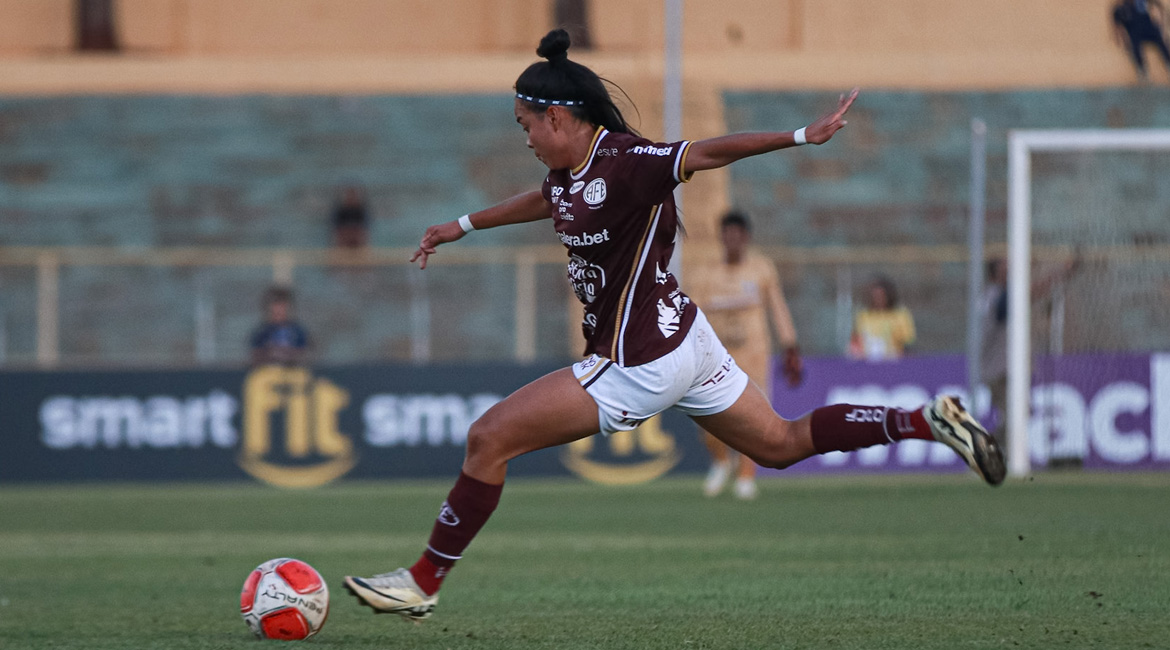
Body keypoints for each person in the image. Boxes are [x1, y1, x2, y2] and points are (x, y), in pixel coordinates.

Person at [343, 29, 1005, 622]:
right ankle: (927, 421)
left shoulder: (630, 161)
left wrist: (800, 136)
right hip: (687, 338)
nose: (524, 136)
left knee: (489, 437)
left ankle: (423, 581)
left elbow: (708, 153)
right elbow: (546, 202)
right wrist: (460, 227)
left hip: (638, 361)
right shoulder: (564, 173)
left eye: (525, 124)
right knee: (777, 443)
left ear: (558, 117)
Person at [691, 211, 803, 500]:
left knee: (753, 415)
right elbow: (691, 315)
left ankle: (746, 476)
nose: (732, 241)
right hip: (716, 355)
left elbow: (777, 306)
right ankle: (719, 461)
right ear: (721, 238)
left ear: (746, 238)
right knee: (709, 414)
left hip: (753, 351)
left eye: (737, 236)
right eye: (727, 235)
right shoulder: (706, 273)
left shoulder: (761, 269)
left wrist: (790, 344)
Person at [980, 256, 1078, 444]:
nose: (1010, 270)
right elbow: (1031, 292)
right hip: (1001, 370)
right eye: (1006, 267)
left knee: (1017, 414)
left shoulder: (988, 296)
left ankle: (990, 450)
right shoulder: (1000, 298)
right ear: (996, 273)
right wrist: (1061, 273)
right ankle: (986, 449)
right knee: (1018, 414)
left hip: (996, 367)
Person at [849, 275, 915, 361]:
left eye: (881, 295)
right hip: (867, 361)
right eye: (875, 296)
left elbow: (908, 340)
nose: (877, 299)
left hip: (892, 360)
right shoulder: (863, 316)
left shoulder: (899, 314)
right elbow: (855, 340)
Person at [249, 286, 311, 366]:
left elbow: (305, 353)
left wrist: (288, 355)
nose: (279, 310)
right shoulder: (262, 331)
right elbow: (255, 354)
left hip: (293, 371)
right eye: (275, 305)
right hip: (268, 371)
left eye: (283, 305)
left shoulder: (297, 331)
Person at [1112, 0, 1170, 81]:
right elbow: (1117, 26)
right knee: (1134, 48)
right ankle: (1143, 72)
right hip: (1135, 34)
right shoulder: (1120, 9)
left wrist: (1160, 21)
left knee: (1162, 43)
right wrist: (1119, 39)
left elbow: (1158, 5)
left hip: (1150, 29)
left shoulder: (1141, 2)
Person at [332, 184, 370, 249]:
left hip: (356, 233)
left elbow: (364, 227)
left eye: (353, 195)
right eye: (349, 195)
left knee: (359, 234)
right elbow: (337, 227)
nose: (351, 198)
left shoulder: (360, 210)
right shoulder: (341, 210)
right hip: (344, 233)